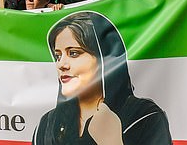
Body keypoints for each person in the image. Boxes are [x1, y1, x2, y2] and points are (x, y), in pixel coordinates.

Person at [33, 11, 171, 145]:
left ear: (105, 59)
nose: (61, 64)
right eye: (58, 56)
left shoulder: (143, 116)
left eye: (73, 53)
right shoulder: (46, 125)